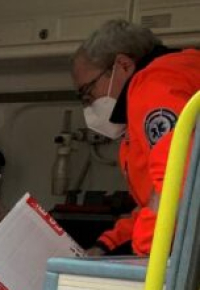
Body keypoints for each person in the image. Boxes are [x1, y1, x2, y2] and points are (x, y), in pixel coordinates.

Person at [71, 19, 200, 256]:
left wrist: (147, 251)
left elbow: (178, 176)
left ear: (122, 65)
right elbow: (154, 200)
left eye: (88, 92)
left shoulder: (152, 86)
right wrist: (106, 244)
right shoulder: (180, 74)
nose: (88, 103)